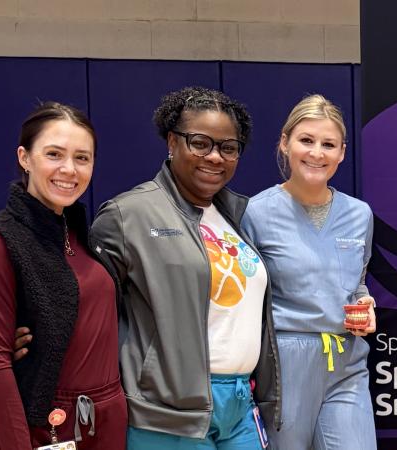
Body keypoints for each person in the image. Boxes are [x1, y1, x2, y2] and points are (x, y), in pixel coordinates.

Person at [90, 86, 281, 447]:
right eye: (200, 143)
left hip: (240, 403)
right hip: (168, 413)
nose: (215, 157)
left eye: (228, 147)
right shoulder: (129, 215)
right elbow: (88, 304)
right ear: (171, 142)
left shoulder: (238, 215)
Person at [0, 102, 127, 449]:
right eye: (54, 154)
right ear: (25, 158)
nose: (69, 169)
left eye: (82, 158)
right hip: (48, 426)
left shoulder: (82, 236)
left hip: (107, 419)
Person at [240, 94, 377, 449]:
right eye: (306, 140)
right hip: (285, 363)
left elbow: (357, 283)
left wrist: (366, 306)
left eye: (328, 144)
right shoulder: (256, 213)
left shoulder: (359, 214)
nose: (317, 153)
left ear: (342, 152)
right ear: (285, 143)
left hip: (347, 361)